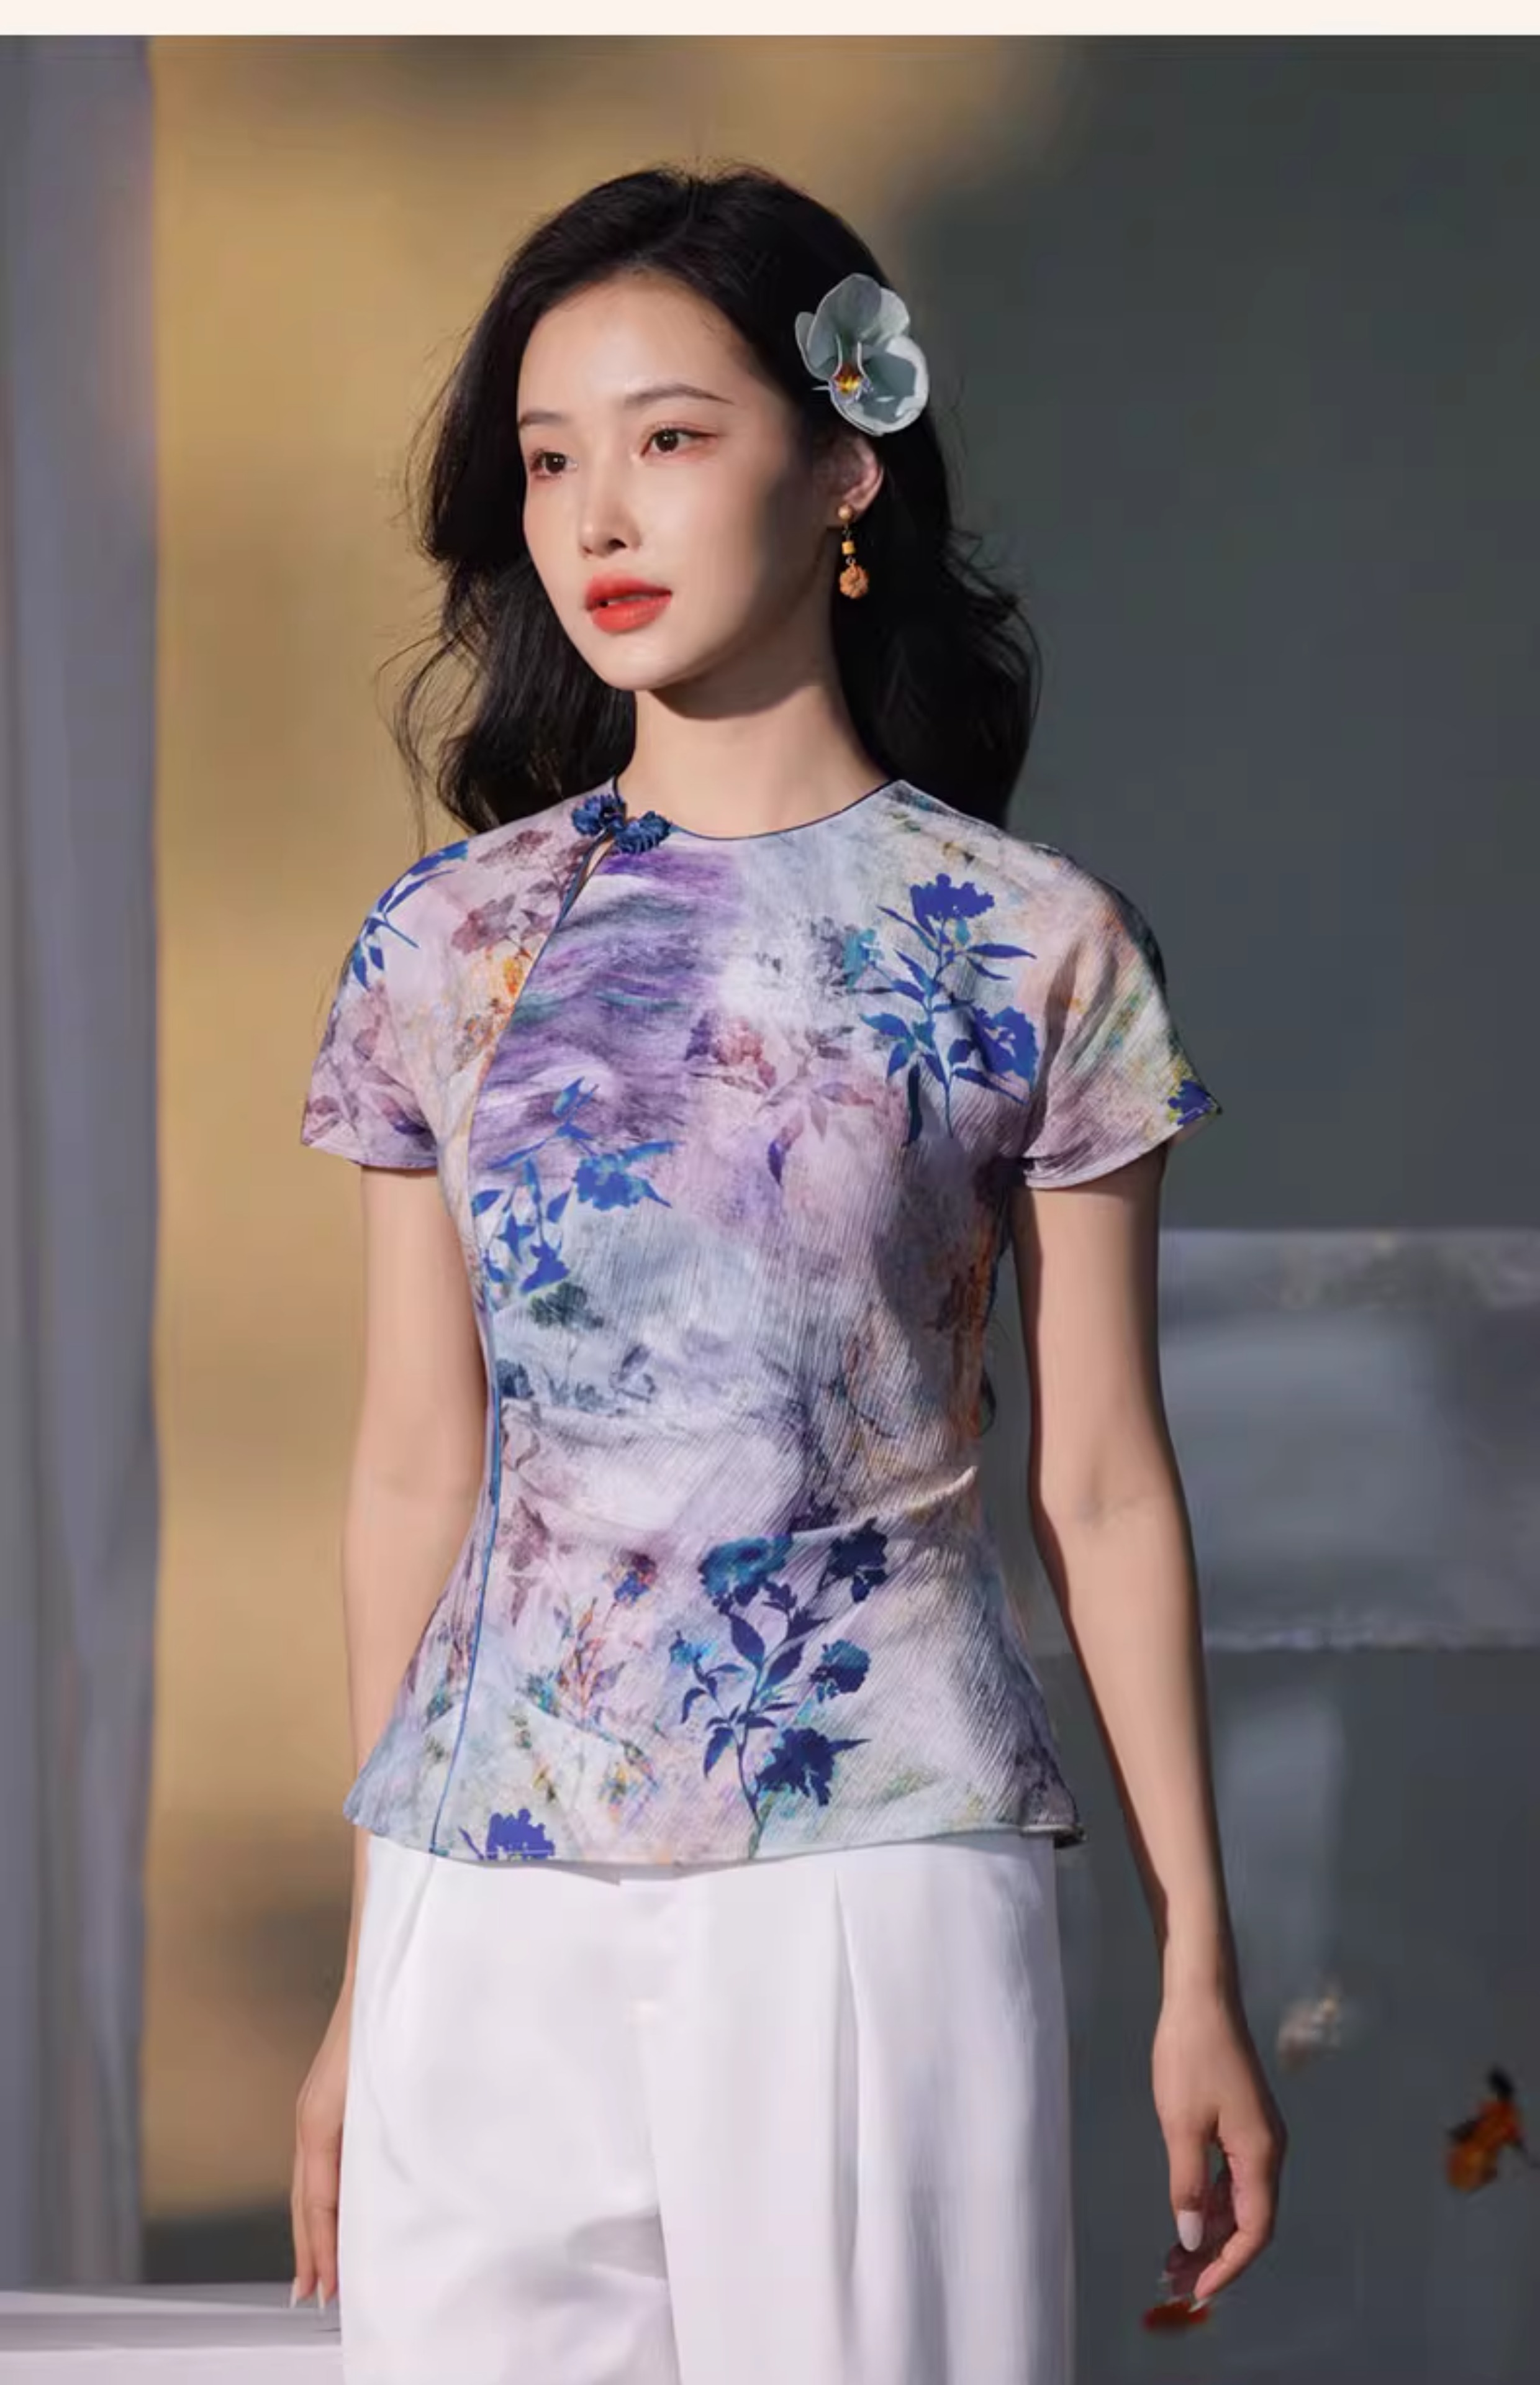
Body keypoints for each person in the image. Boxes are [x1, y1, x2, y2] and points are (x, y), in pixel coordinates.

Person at [288, 160, 1286, 2384]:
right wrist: (369, 1983)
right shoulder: (450, 945)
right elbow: (412, 1473)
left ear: (846, 465)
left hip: (872, 1868)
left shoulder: (1034, 945)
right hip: (483, 1889)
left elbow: (1104, 1483)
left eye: (670, 436)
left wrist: (1198, 1961)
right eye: (550, 459)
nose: (599, 516)